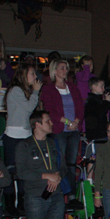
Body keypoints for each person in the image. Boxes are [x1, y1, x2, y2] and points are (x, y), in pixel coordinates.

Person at [15, 111, 69, 219]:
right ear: (37, 124)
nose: (51, 123)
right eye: (47, 121)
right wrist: (46, 176)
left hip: (55, 195)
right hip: (36, 196)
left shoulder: (52, 143)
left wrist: (58, 177)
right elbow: (21, 172)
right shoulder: (24, 146)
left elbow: (63, 167)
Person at [40, 59, 84, 205]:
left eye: (66, 68)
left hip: (73, 130)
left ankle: (71, 195)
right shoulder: (48, 89)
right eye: (62, 68)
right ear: (55, 70)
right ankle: (60, 193)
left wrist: (76, 122)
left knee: (71, 163)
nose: (65, 70)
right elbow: (50, 110)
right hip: (60, 130)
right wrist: (67, 122)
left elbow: (80, 106)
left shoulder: (72, 87)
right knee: (60, 163)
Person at [2, 63, 42, 215]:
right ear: (23, 75)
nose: (35, 77)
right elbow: (28, 107)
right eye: (32, 74)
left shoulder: (26, 92)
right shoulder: (16, 90)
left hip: (25, 135)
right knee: (11, 170)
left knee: (24, 170)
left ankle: (23, 202)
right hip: (13, 135)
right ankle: (10, 203)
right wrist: (36, 93)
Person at [84, 77, 110, 143]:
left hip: (99, 133)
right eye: (101, 86)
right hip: (96, 134)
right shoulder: (92, 100)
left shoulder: (97, 99)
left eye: (103, 86)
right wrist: (106, 102)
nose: (103, 88)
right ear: (94, 87)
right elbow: (100, 112)